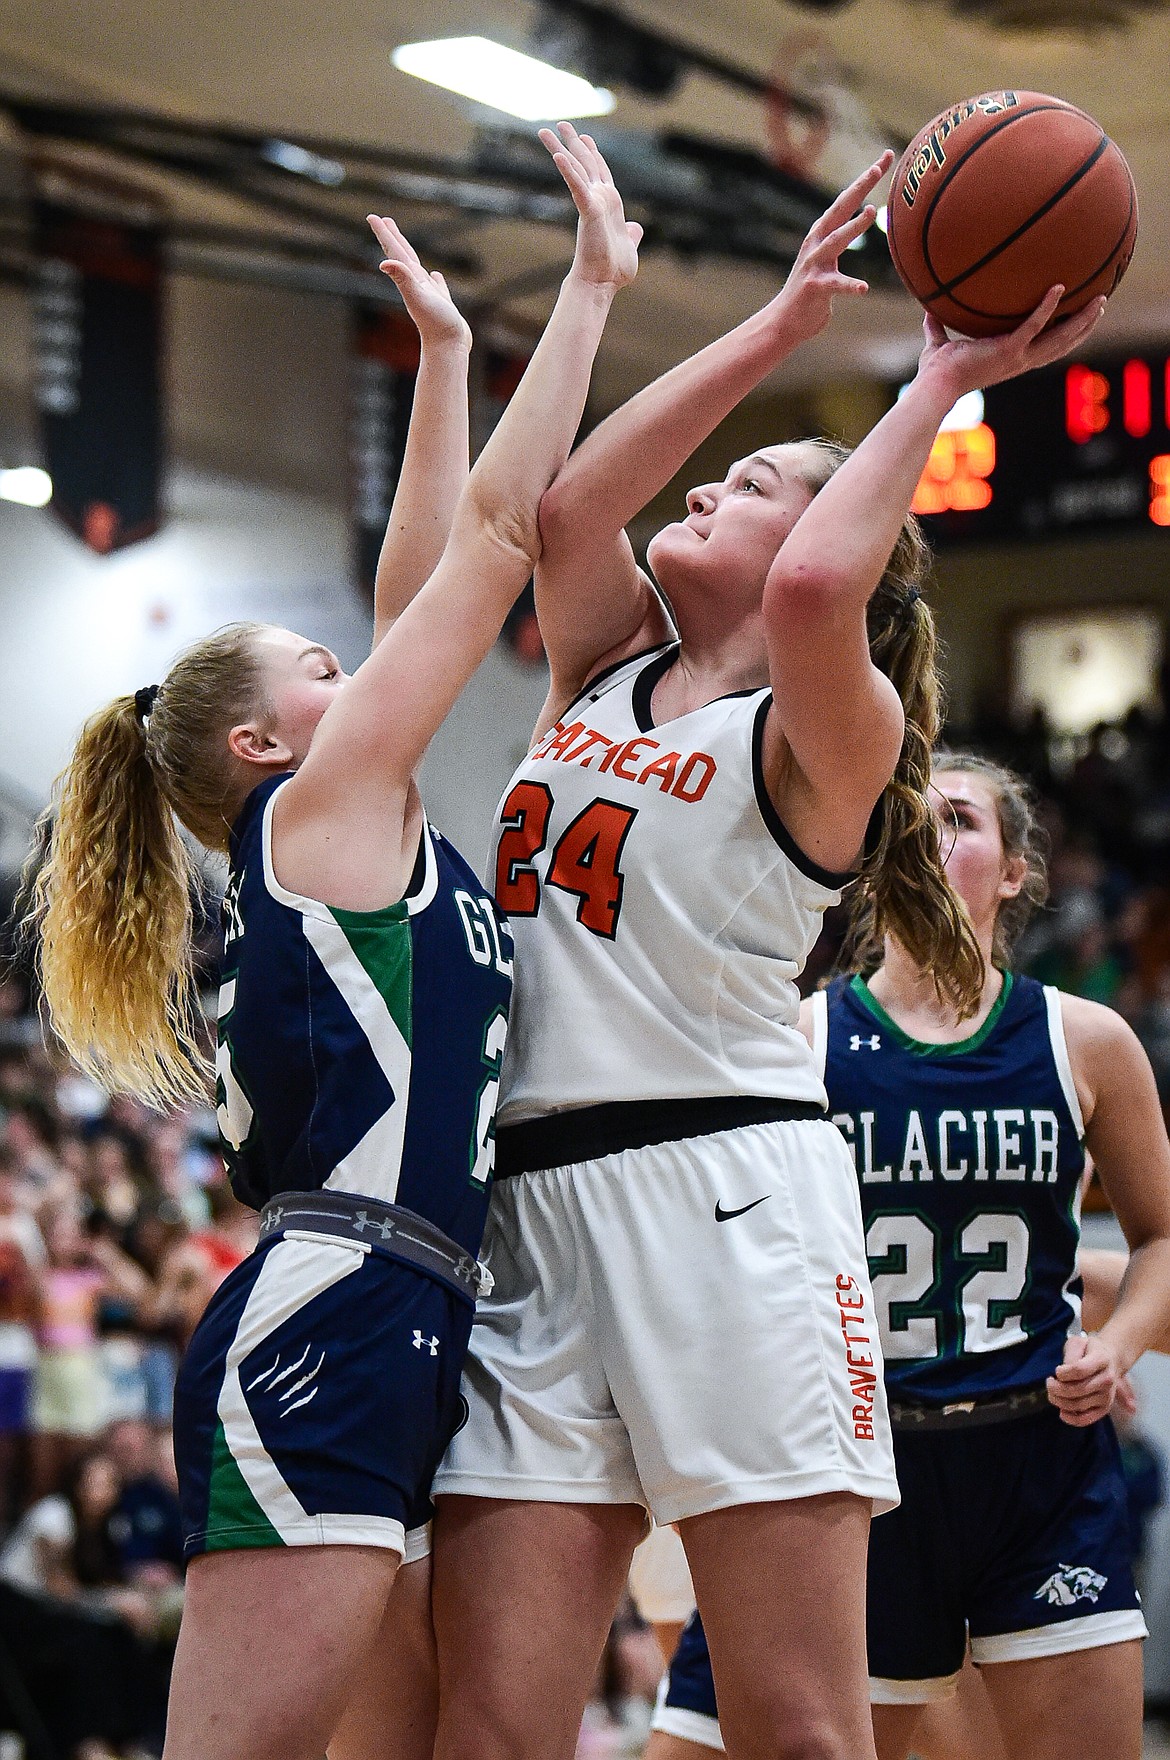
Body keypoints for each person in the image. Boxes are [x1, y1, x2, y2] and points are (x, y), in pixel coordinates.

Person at [427, 128, 1107, 1760]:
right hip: (533, 1206)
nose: (712, 481)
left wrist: (938, 375)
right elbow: (565, 503)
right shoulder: (600, 671)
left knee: (797, 1727)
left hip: (726, 1208)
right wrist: (783, 322)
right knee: (496, 1725)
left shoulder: (830, 729)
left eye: (754, 478)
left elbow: (812, 585)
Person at [27, 127, 640, 1760]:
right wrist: (586, 289)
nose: (355, 665)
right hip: (335, 1305)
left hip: (425, 1311)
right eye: (320, 662)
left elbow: (430, 566)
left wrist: (443, 355)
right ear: (258, 744)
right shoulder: (311, 831)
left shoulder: (371, 835)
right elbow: (495, 541)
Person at [648, 752, 1170, 1760]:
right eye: (908, 819)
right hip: (860, 1464)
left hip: (1037, 1455)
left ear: (1015, 870)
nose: (930, 837)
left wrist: (1124, 1344)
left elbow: (1158, 1241)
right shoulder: (797, 1039)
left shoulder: (1086, 1039)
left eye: (962, 820)